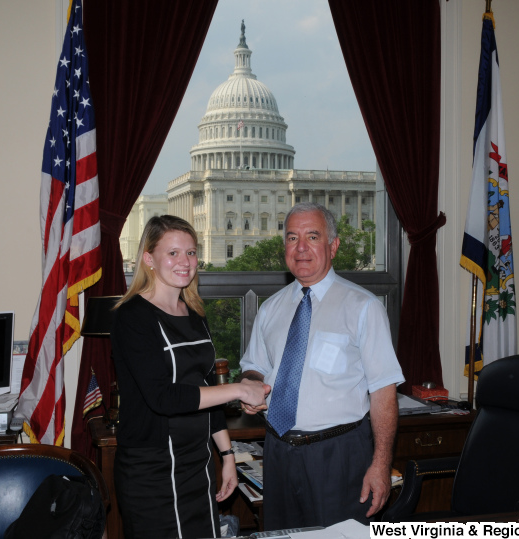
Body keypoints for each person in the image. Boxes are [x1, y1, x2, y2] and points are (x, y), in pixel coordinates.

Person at [239, 202, 405, 529]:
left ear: (333, 246)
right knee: (279, 535)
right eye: (291, 238)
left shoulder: (363, 307)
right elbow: (254, 366)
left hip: (339, 455)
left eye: (312, 237)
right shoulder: (270, 309)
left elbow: (384, 391)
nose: (300, 248)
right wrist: (251, 384)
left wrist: (381, 464)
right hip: (278, 451)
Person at [110, 215, 270, 539]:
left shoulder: (194, 312)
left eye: (191, 253)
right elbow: (163, 398)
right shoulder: (131, 316)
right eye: (173, 253)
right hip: (151, 471)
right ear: (148, 258)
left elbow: (206, 388)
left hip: (197, 465)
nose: (185, 262)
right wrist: (239, 389)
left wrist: (226, 455)